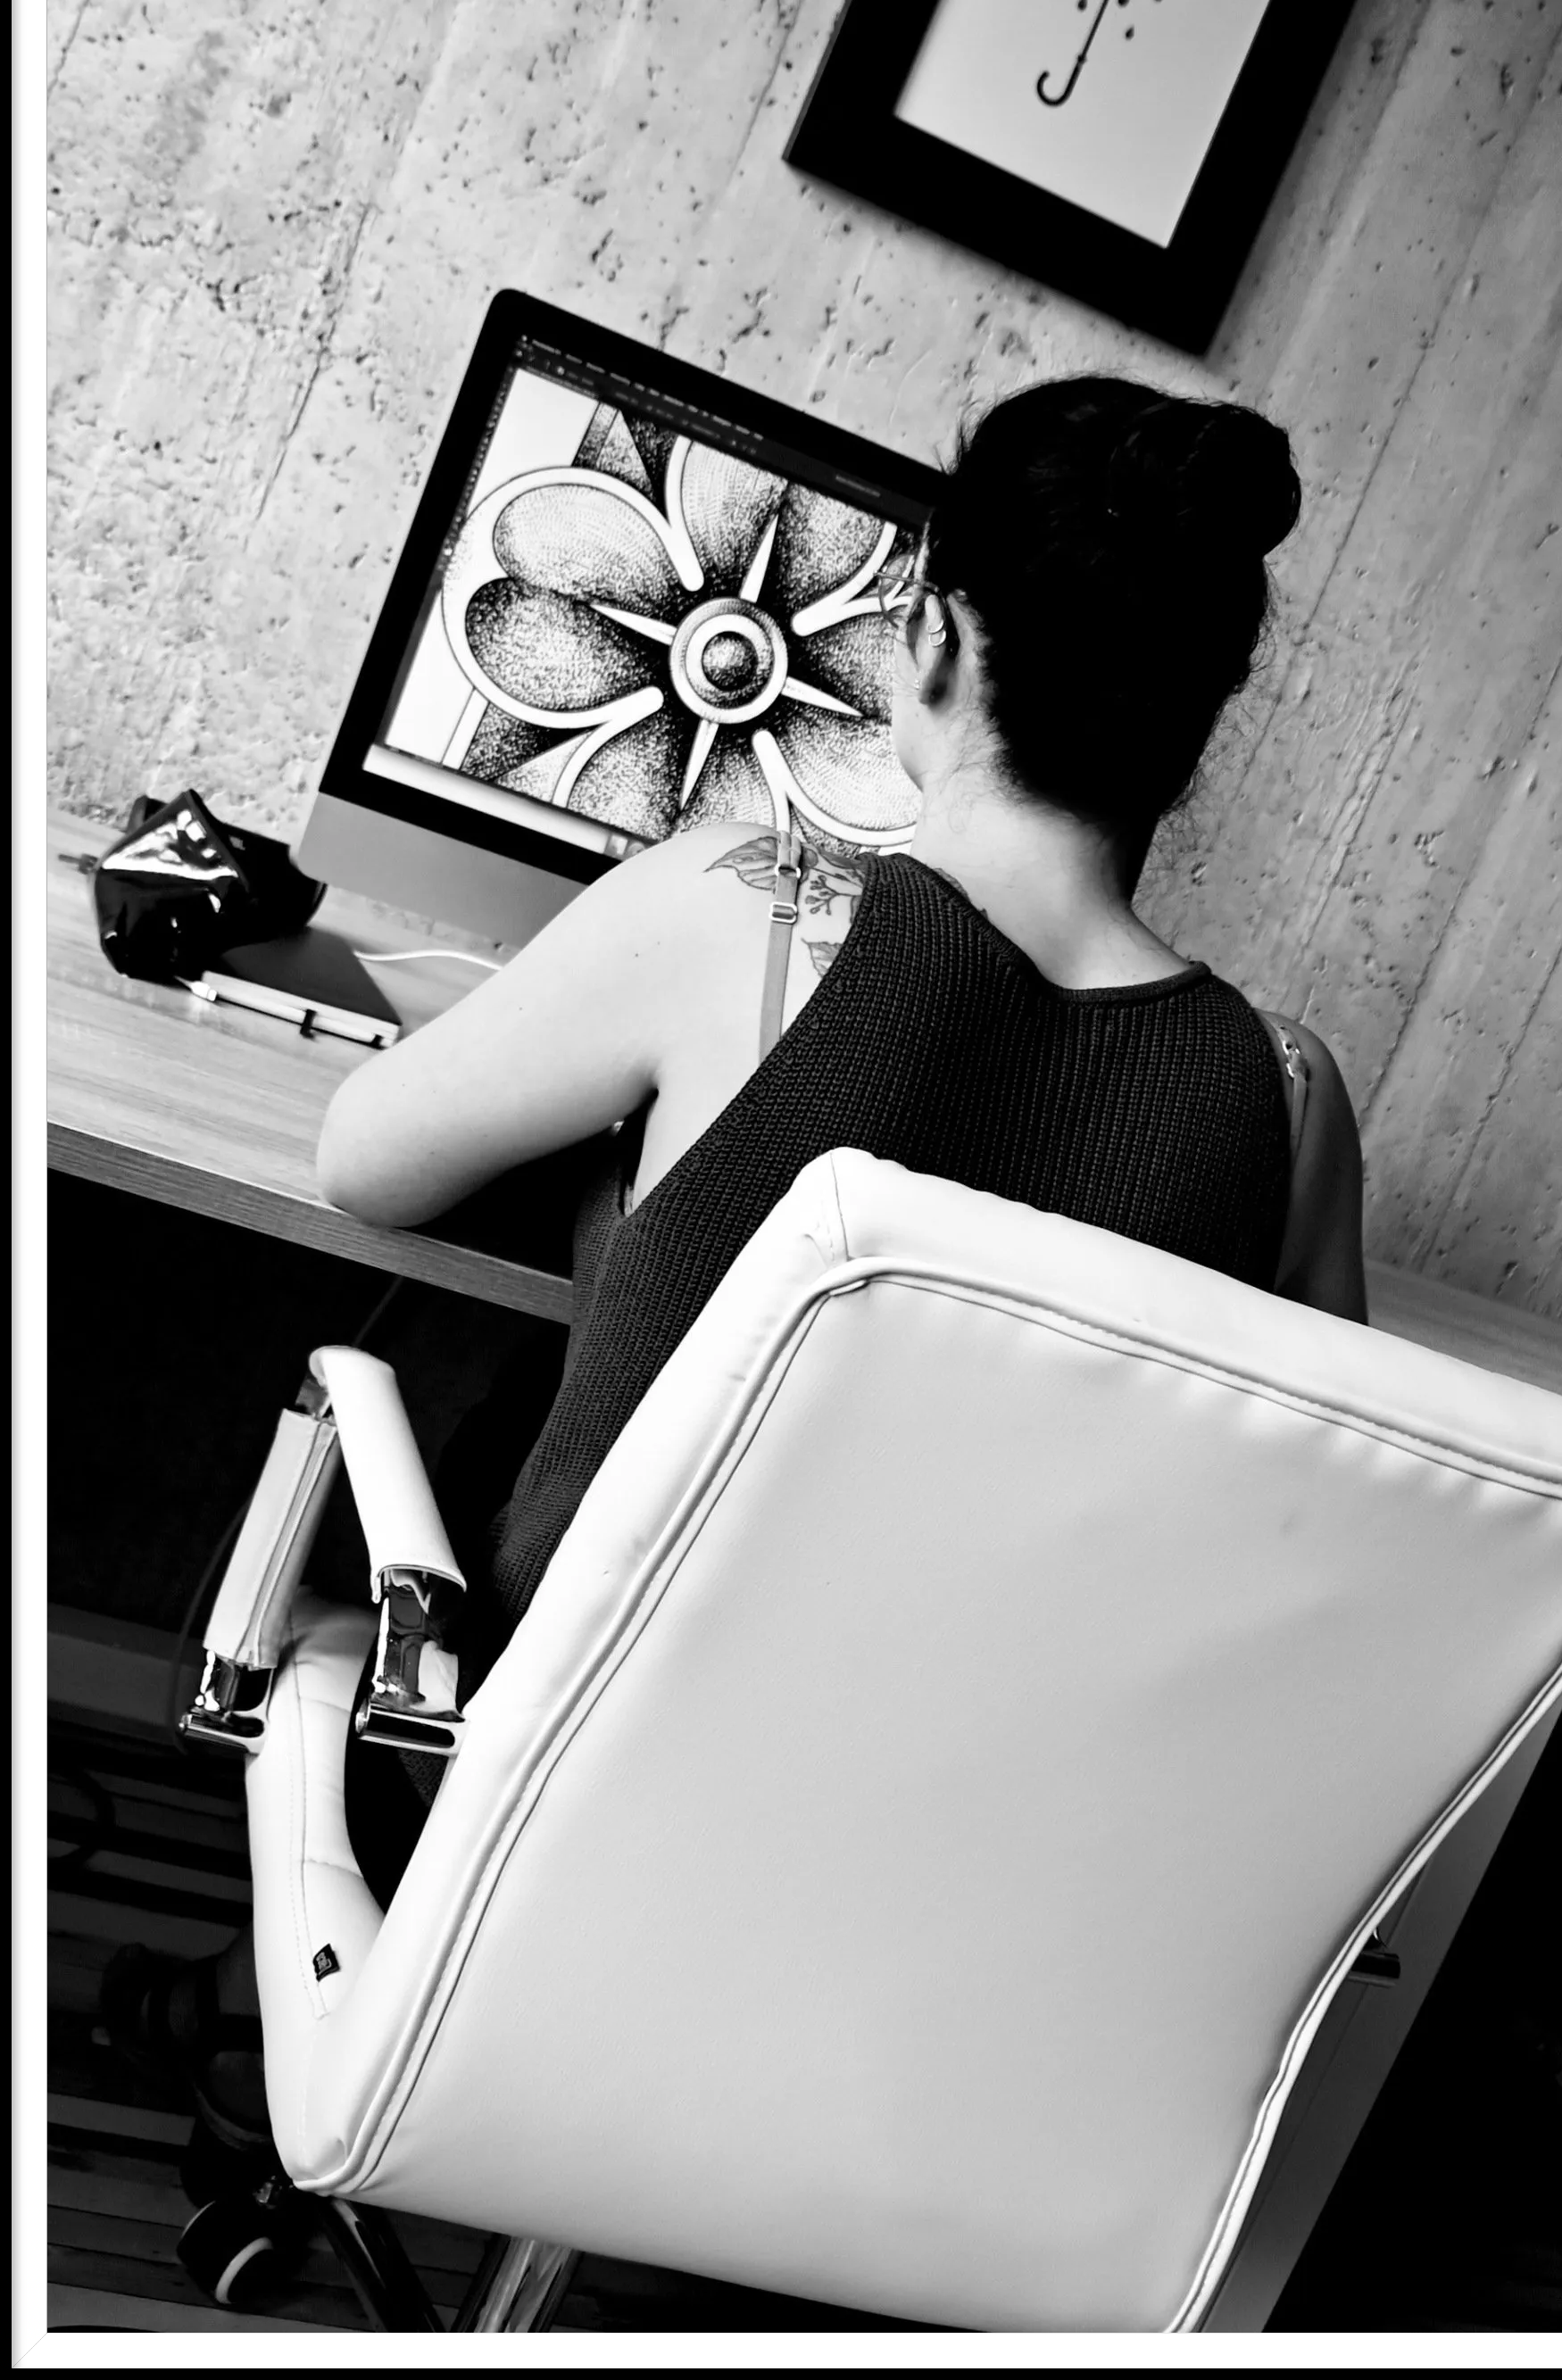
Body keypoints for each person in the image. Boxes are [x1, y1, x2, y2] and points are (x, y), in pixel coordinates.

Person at [104, 377, 1366, 2140]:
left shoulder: (746, 913)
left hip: (566, 1821)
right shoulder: (1287, 1100)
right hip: (943, 1919)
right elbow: (1296, 1536)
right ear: (1199, 715)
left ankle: (261, 2017)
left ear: (929, 639)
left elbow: (362, 1160)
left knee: (515, 1427)